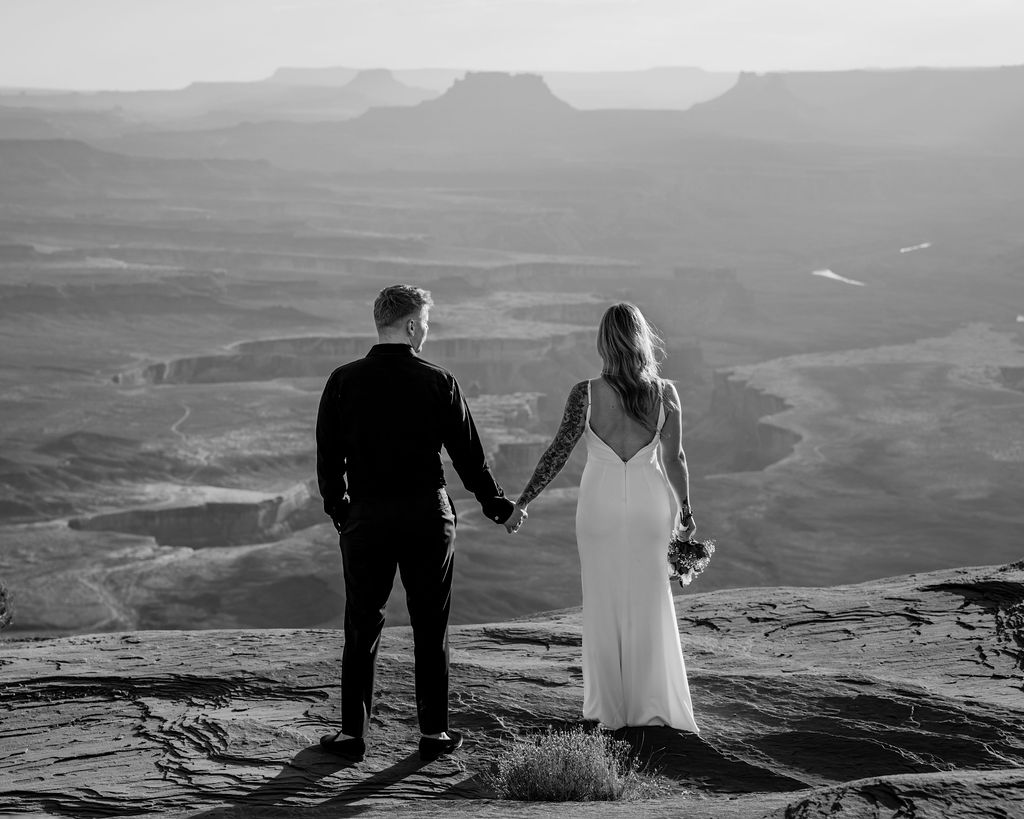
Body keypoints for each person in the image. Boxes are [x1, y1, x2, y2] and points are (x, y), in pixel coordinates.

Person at [315, 284, 527, 763]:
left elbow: (329, 458)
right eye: (426, 322)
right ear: (411, 326)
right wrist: (497, 507)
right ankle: (434, 733)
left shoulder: (343, 381)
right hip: (427, 517)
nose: (427, 330)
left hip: (366, 516)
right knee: (431, 623)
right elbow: (469, 457)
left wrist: (341, 511)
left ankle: (352, 735)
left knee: (361, 623)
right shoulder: (439, 381)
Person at [512, 303, 700, 732]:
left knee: (603, 600)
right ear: (642, 340)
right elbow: (676, 458)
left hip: (599, 505)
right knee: (651, 600)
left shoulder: (587, 393)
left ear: (604, 342)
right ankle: (654, 707)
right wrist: (686, 511)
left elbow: (558, 452)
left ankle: (608, 711)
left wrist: (523, 502)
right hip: (651, 506)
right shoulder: (665, 393)